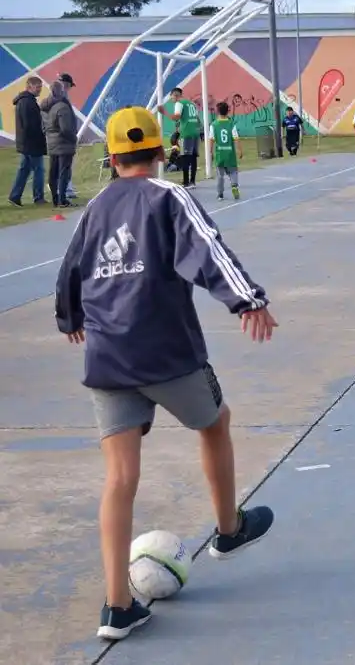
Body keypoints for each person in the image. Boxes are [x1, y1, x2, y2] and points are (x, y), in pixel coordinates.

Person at [53, 106, 277, 642]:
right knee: (215, 423)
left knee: (120, 477)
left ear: (111, 158)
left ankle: (117, 606)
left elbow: (71, 269)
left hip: (107, 357)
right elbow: (208, 249)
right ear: (161, 151)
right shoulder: (170, 196)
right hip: (166, 352)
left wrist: (71, 318)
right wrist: (247, 300)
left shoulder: (94, 208)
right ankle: (228, 529)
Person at [9, 76, 47, 207]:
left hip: (27, 143)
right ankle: (38, 197)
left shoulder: (26, 101)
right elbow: (29, 125)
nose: (40, 90)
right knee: (39, 170)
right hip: (31, 143)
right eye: (38, 87)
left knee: (24, 169)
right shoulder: (27, 103)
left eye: (40, 87)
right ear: (29, 87)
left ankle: (15, 196)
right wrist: (40, 137)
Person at [40, 75, 77, 209]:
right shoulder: (62, 106)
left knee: (53, 172)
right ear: (61, 91)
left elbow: (44, 126)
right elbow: (66, 128)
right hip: (64, 143)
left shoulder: (45, 105)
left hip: (52, 142)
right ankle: (62, 199)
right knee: (63, 172)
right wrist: (74, 138)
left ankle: (56, 199)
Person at [157, 87, 201, 187]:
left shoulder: (179, 103)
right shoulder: (191, 104)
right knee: (193, 157)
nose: (172, 100)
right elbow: (198, 121)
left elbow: (176, 116)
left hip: (187, 133)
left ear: (175, 95)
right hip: (195, 133)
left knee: (185, 157)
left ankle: (186, 182)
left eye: (171, 97)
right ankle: (192, 181)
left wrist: (164, 112)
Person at [208, 101, 243, 201]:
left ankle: (220, 194)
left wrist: (210, 152)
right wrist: (239, 150)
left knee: (220, 175)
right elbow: (236, 139)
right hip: (230, 154)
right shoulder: (231, 124)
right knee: (233, 172)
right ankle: (234, 186)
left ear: (217, 112)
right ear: (228, 111)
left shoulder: (214, 125)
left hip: (220, 154)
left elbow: (211, 139)